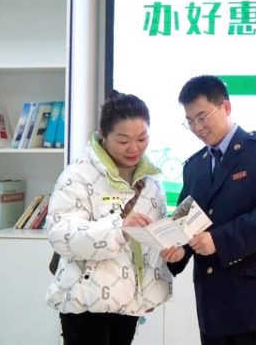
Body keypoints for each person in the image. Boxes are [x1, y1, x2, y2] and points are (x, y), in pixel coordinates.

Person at [166, 74, 256, 345]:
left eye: (202, 117)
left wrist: (217, 240)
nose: (197, 128)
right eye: (190, 121)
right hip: (214, 306)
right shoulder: (195, 166)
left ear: (226, 107)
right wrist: (178, 252)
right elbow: (186, 223)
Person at [45, 90, 180, 345]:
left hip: (128, 304)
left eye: (142, 138)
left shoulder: (152, 181)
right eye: (123, 140)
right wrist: (119, 228)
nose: (134, 148)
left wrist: (171, 250)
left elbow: (151, 242)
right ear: (103, 134)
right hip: (86, 304)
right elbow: (60, 233)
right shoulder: (78, 175)